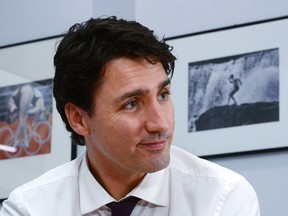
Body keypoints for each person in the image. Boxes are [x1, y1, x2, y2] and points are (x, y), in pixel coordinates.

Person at [0, 16, 260, 215]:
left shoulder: (221, 198)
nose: (161, 123)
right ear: (79, 119)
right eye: (132, 104)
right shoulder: (30, 208)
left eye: (163, 95)